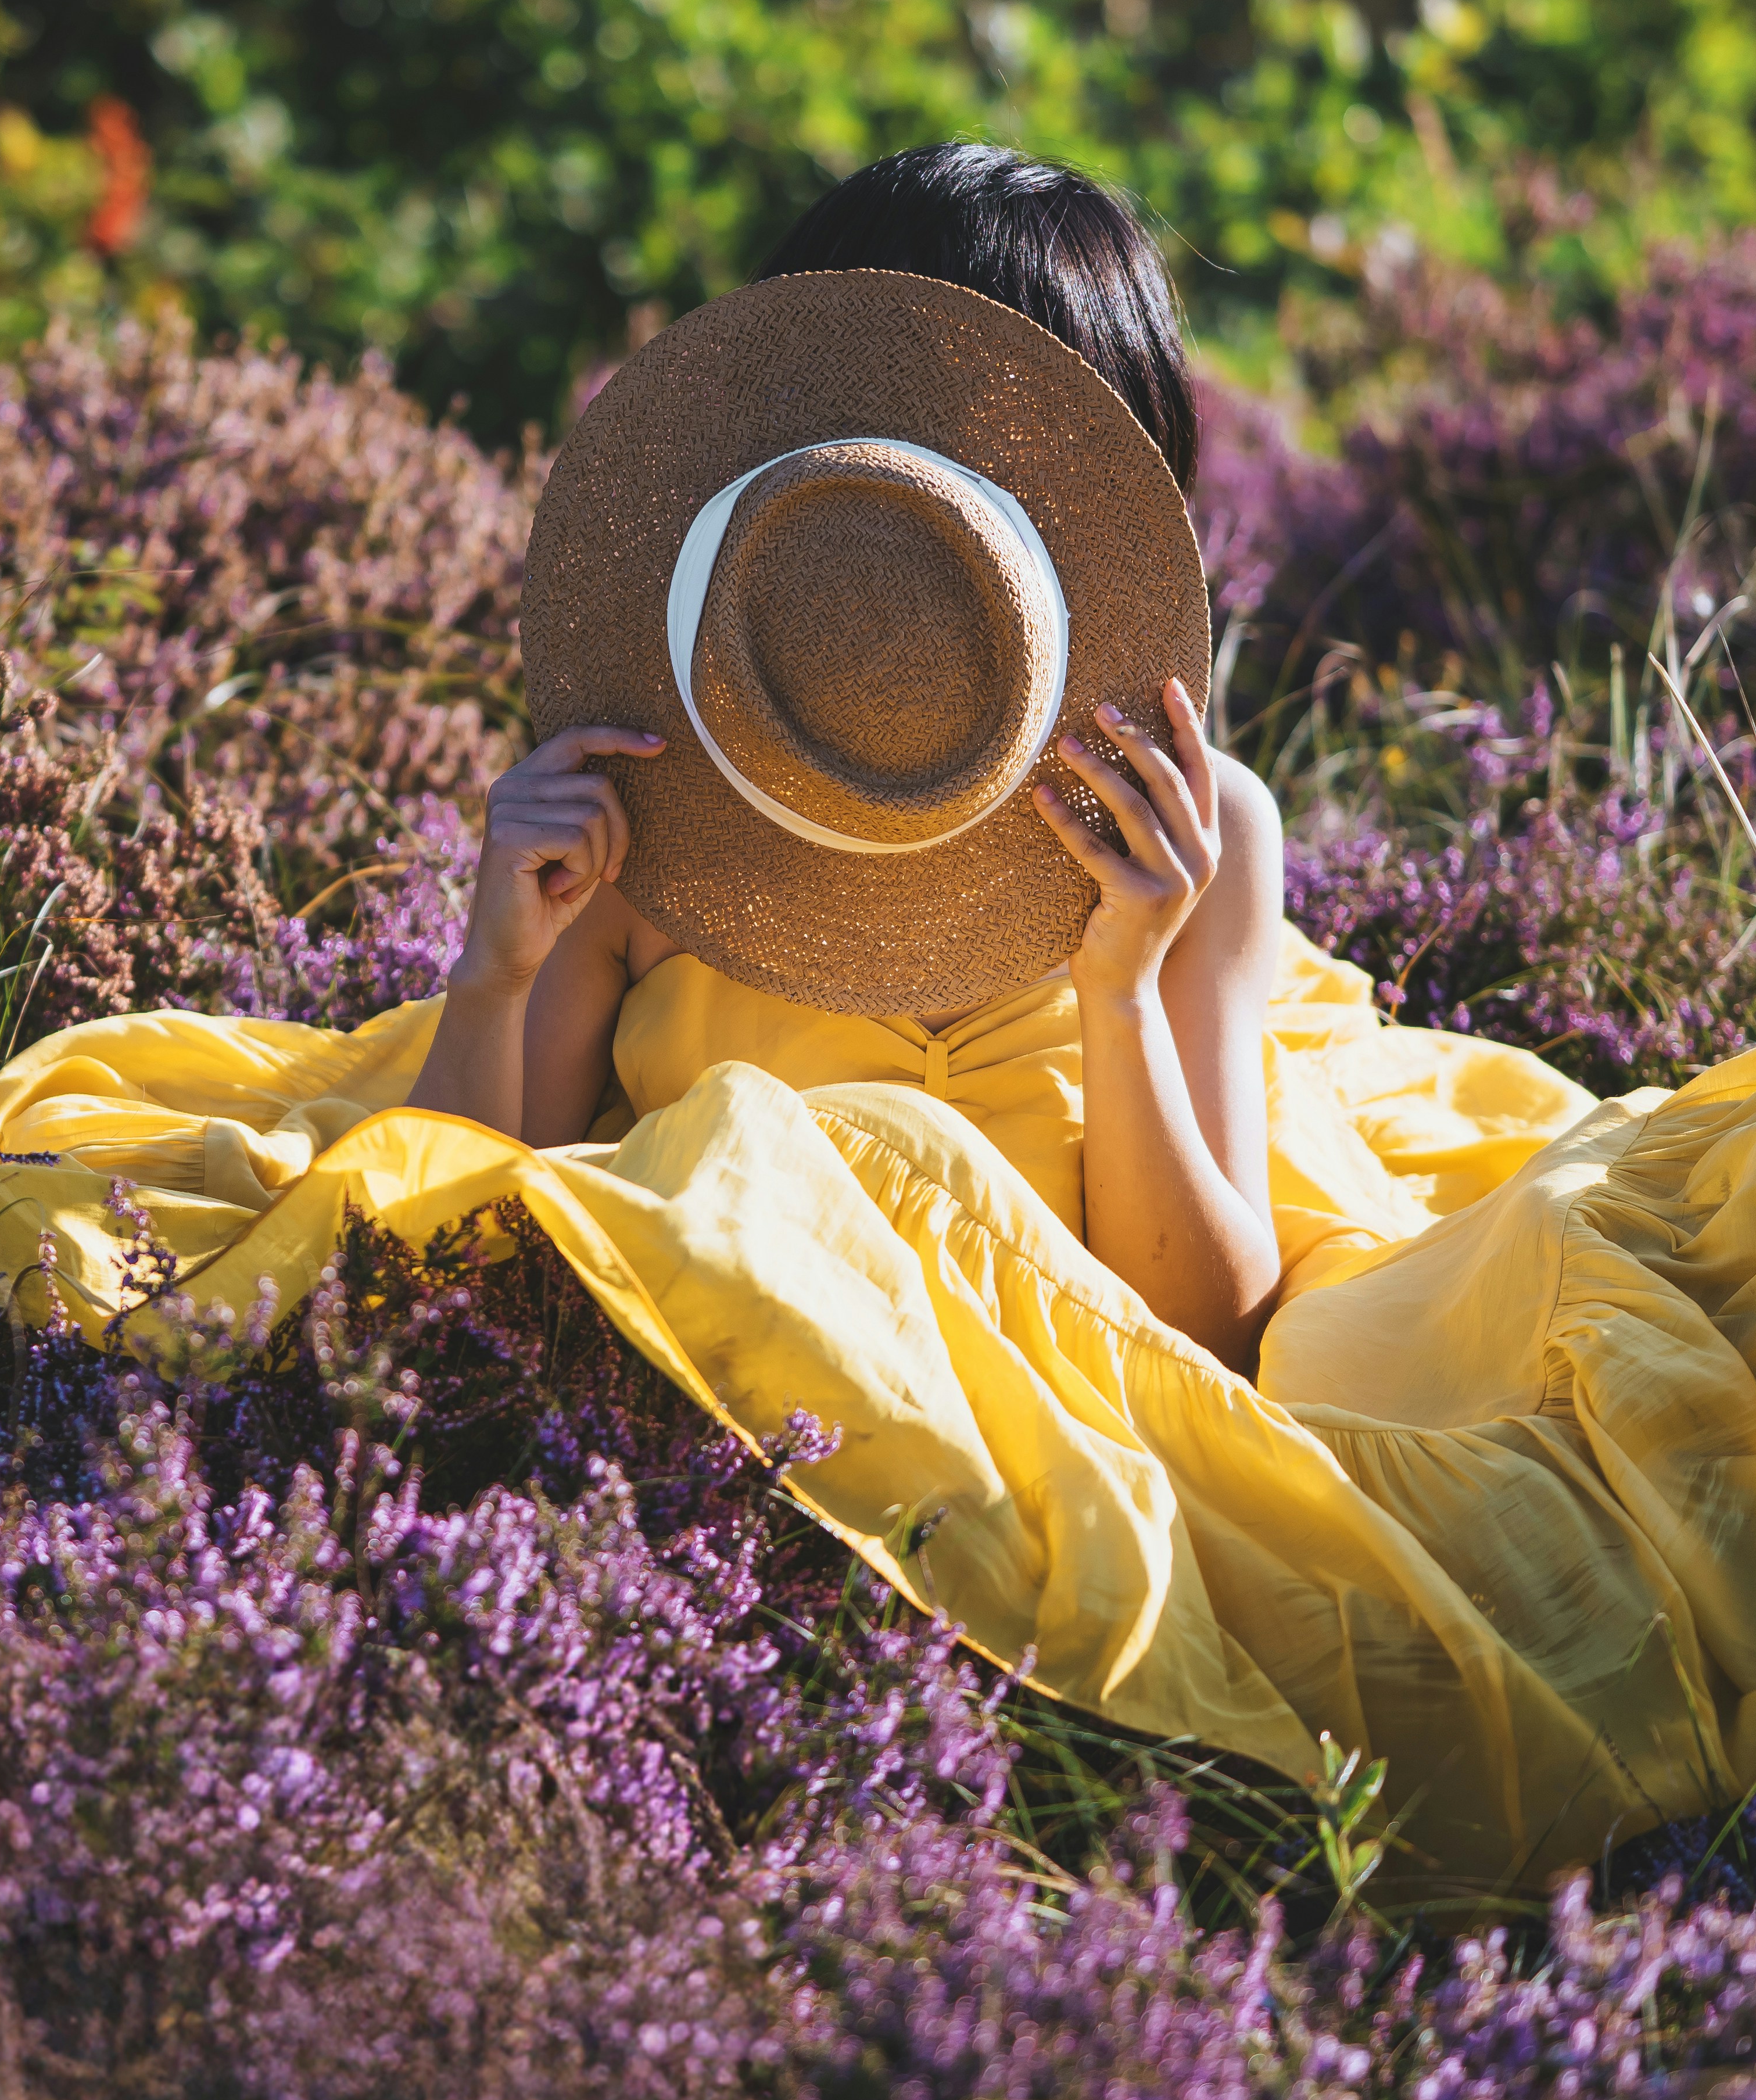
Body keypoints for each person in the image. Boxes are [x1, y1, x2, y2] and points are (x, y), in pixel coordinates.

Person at [0, 144, 1756, 1901]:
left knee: (962, 1209)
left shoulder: (1193, 828)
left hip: (1101, 1321)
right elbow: (465, 1171)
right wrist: (518, 954)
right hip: (748, 1339)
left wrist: (1144, 964)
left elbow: (1206, 1314)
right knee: (731, 1166)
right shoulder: (679, 779)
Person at [406, 145, 1296, 1372]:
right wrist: (494, 974)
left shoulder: (1194, 833)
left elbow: (1211, 1338)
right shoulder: (651, 805)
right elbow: (442, 1271)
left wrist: (1122, 988)